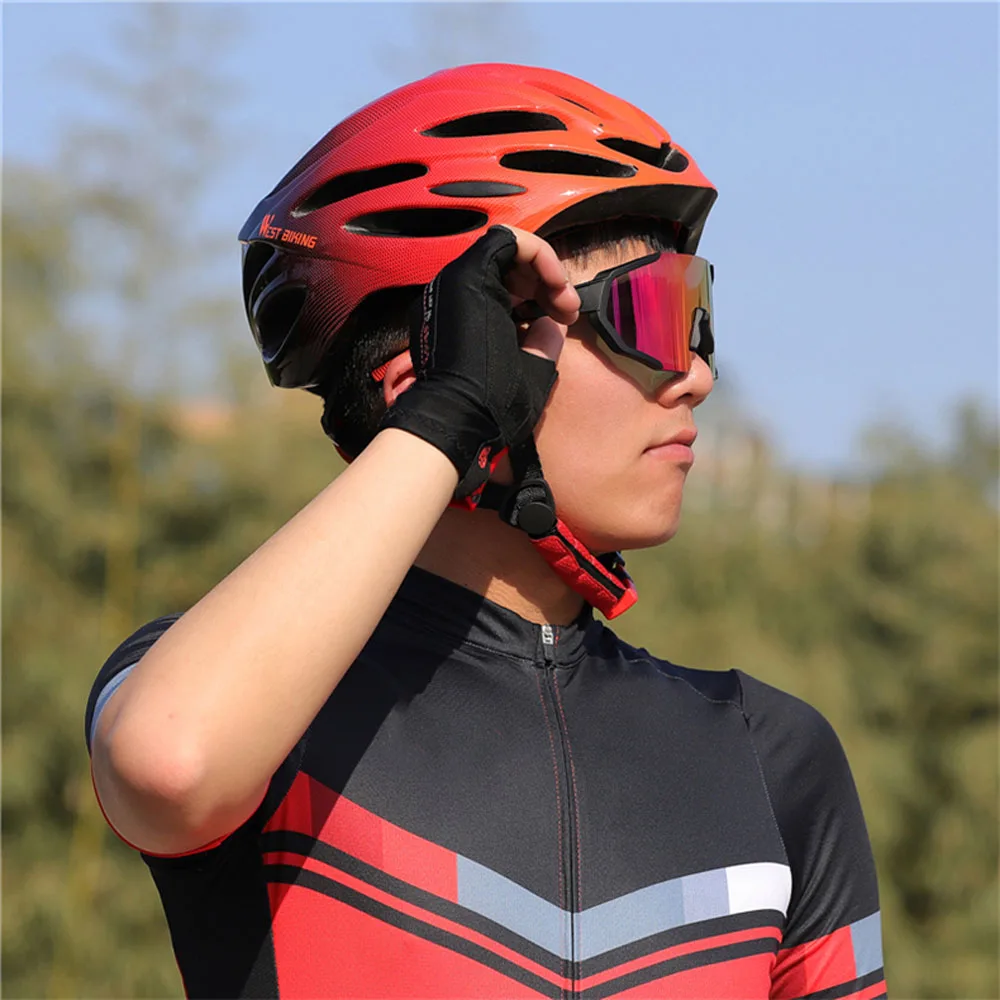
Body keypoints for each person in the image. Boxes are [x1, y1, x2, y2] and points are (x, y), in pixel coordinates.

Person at [85, 64, 886, 999]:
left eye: (696, 312)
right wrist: (447, 419)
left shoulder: (769, 757)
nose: (698, 376)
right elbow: (170, 764)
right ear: (430, 370)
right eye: (651, 312)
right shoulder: (233, 701)